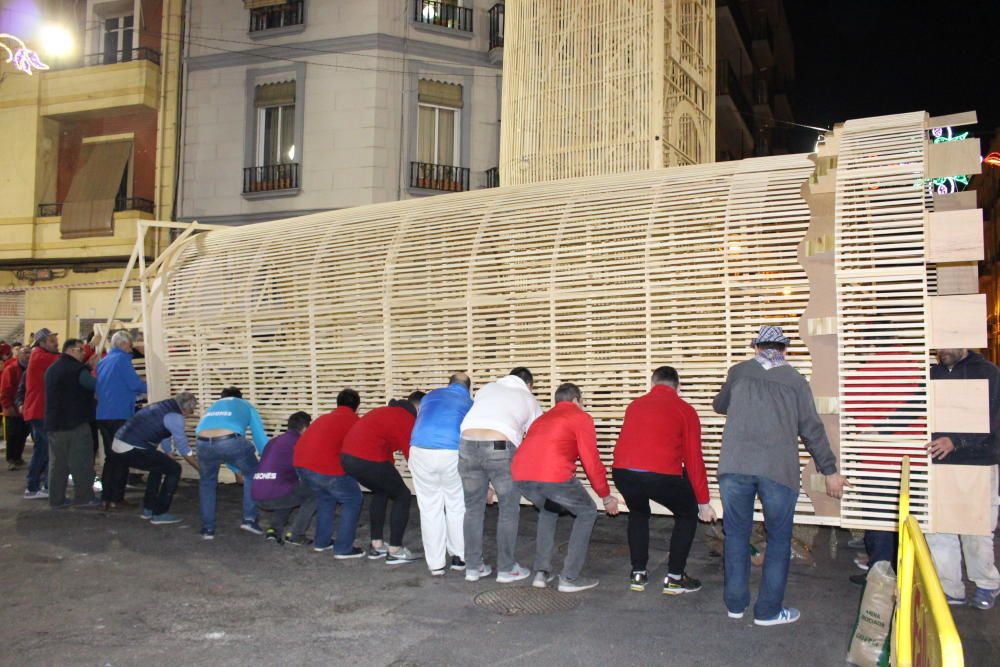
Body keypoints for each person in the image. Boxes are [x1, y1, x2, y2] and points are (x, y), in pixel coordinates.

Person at [713, 325, 848, 626]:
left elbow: (719, 405)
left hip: (734, 467)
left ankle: (735, 605)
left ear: (756, 347)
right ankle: (768, 611)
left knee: (735, 535)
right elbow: (811, 429)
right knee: (777, 540)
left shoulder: (738, 372)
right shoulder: (796, 380)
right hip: (777, 470)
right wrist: (830, 471)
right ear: (784, 349)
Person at [612, 366, 715, 594]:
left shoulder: (635, 405)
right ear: (678, 387)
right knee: (687, 513)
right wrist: (703, 503)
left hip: (623, 472)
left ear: (652, 384)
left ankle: (638, 574)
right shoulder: (685, 410)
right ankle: (675, 578)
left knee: (638, 514)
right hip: (659, 475)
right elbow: (693, 459)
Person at [511, 382, 621, 592]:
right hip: (553, 475)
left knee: (548, 509)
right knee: (588, 512)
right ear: (576, 401)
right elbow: (591, 460)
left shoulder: (541, 419)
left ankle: (541, 573)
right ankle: (569, 578)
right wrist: (605, 496)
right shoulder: (580, 417)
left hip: (521, 475)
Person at [925, 348, 1000, 610]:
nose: (943, 351)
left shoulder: (988, 373)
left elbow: (994, 422)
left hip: (978, 463)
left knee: (976, 529)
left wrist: (957, 441)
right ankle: (950, 588)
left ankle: (987, 584)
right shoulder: (931, 374)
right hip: (940, 464)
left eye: (949, 345)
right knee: (939, 529)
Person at [459, 367, 543, 583]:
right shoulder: (528, 398)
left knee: (473, 509)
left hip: (466, 444)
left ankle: (473, 567)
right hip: (500, 445)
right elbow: (536, 437)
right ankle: (506, 569)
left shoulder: (487, 388)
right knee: (508, 508)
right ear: (529, 384)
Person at [340, 391, 425, 565]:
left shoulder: (387, 411)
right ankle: (395, 550)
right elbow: (412, 455)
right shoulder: (407, 418)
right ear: (419, 407)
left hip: (348, 457)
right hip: (366, 457)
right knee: (402, 495)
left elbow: (384, 447)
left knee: (381, 491)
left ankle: (377, 545)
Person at [409, 373, 474, 575]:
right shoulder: (469, 402)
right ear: (468, 388)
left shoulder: (430, 396)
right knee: (456, 504)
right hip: (450, 452)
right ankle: (459, 556)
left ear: (449, 384)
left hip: (420, 450)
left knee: (429, 508)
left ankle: (436, 564)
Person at [109, 392, 200, 523]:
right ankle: (160, 513)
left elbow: (164, 433)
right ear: (185, 409)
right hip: (131, 447)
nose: (190, 413)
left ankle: (149, 509)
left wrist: (168, 453)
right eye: (191, 410)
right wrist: (200, 468)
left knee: (159, 467)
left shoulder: (163, 406)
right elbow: (184, 449)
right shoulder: (176, 417)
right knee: (174, 469)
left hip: (118, 444)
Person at [293, 388, 364, 557]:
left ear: (337, 403)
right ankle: (344, 548)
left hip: (301, 465)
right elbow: (358, 451)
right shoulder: (354, 421)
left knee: (326, 497)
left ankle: (322, 542)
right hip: (324, 468)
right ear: (357, 406)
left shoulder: (323, 418)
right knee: (353, 498)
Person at [194, 387, 269, 539]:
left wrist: (235, 469)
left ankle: (207, 529)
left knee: (207, 482)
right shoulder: (245, 405)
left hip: (201, 442)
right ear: (240, 397)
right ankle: (249, 519)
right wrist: (268, 458)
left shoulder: (213, 407)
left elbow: (216, 445)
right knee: (252, 475)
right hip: (229, 441)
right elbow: (258, 436)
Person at [44, 338, 100, 509]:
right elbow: (94, 385)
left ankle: (56, 499)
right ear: (72, 351)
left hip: (54, 424)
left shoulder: (52, 369)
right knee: (81, 462)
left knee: (57, 464)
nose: (84, 353)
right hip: (75, 423)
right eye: (81, 350)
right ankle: (84, 497)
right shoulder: (77, 370)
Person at [96, 331, 147, 507]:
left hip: (103, 415)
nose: (131, 348)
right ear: (124, 344)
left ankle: (106, 498)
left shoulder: (104, 361)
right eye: (130, 344)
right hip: (119, 415)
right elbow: (134, 384)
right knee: (122, 457)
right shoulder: (122, 360)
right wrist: (153, 385)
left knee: (111, 458)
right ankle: (117, 498)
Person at [252, 411, 317, 544]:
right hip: (274, 494)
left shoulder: (274, 441)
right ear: (305, 428)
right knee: (315, 492)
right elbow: (309, 470)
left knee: (289, 489)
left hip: (257, 493)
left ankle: (274, 531)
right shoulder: (299, 442)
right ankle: (296, 535)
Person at [20, 328, 60, 499]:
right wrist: (87, 349)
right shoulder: (40, 356)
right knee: (44, 450)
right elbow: (63, 361)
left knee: (45, 450)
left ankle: (43, 485)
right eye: (51, 341)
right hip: (39, 411)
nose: (55, 343)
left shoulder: (41, 356)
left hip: (40, 410)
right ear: (41, 343)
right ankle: (33, 487)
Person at [1, 345, 29, 470]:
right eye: (25, 353)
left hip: (25, 408)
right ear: (18, 355)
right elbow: (5, 389)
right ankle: (11, 459)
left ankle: (18, 457)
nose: (28, 355)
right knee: (12, 435)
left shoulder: (30, 368)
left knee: (22, 434)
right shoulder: (11, 369)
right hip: (12, 408)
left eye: (29, 353)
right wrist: (8, 406)